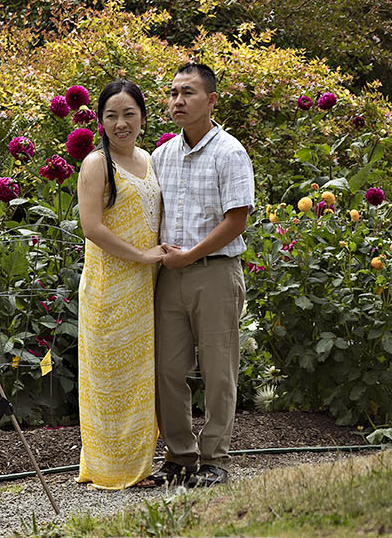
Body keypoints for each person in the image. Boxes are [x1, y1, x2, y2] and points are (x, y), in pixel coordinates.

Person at [149, 62, 255, 488]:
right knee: (168, 370)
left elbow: (237, 220)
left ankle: (214, 458)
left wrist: (189, 254)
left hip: (214, 274)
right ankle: (179, 455)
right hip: (168, 278)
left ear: (211, 101)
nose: (178, 101)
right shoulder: (160, 156)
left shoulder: (230, 152)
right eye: (174, 93)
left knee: (218, 371)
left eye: (188, 93)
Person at [73, 80, 170, 490]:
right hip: (109, 286)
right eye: (111, 115)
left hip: (147, 286)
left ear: (143, 119)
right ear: (100, 121)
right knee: (111, 377)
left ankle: (138, 463)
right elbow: (91, 226)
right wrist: (143, 255)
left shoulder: (150, 160)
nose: (121, 123)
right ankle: (113, 469)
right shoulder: (97, 164)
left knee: (140, 377)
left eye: (129, 113)